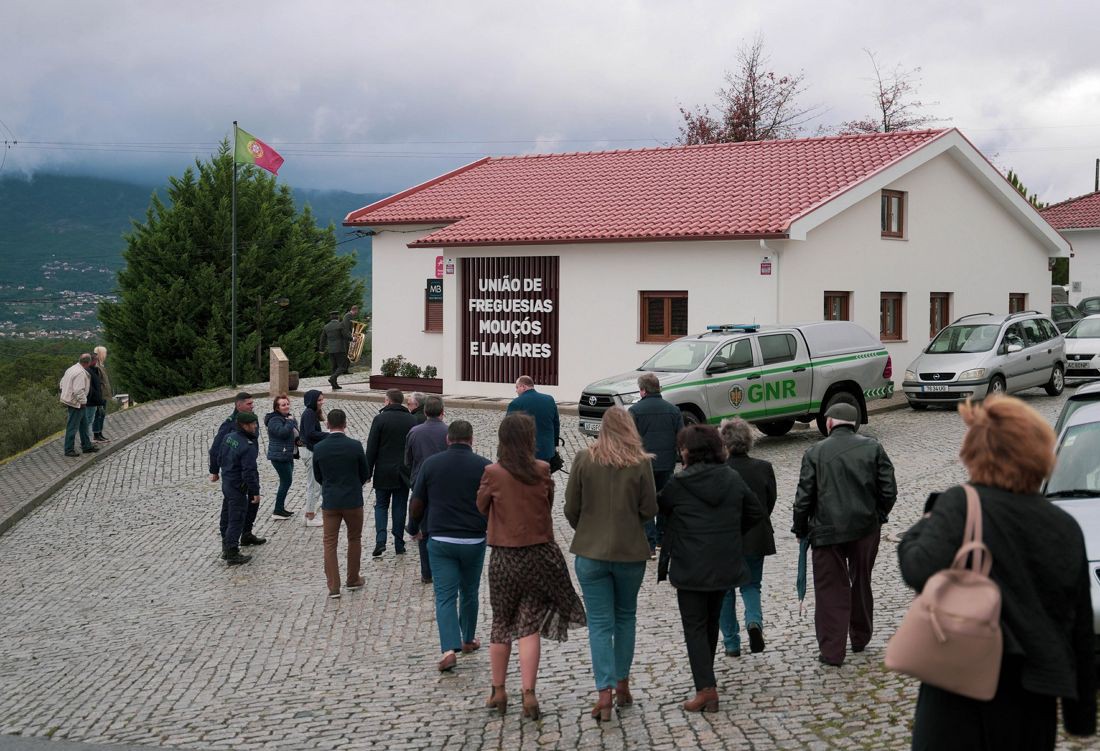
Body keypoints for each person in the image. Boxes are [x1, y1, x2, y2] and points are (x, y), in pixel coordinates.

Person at [898, 396, 1096, 750]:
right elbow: (1079, 627)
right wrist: (1080, 716)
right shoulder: (1065, 526)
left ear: (975, 452)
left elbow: (918, 567)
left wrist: (920, 527)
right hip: (1033, 702)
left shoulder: (961, 502)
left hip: (957, 693)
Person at [477, 413, 586, 720]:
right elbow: (547, 504)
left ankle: (498, 690)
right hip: (539, 555)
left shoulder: (492, 472)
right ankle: (529, 694)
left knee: (501, 621)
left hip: (504, 557)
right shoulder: (541, 470)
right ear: (529, 439)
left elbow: (481, 506)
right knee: (529, 625)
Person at [659, 424, 764, 712]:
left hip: (690, 566)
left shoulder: (678, 484)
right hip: (723, 563)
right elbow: (755, 512)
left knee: (695, 627)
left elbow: (662, 510)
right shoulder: (731, 477)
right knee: (710, 622)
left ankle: (706, 689)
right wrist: (730, 532)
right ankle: (707, 681)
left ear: (689, 452)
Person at [564, 406, 657, 722]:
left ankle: (604, 694)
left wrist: (588, 529)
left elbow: (570, 508)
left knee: (600, 624)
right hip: (630, 551)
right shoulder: (641, 463)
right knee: (625, 618)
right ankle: (622, 684)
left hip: (591, 553)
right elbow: (649, 509)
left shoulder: (583, 459)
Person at [792, 402, 897, 667]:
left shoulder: (814, 452)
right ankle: (860, 638)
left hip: (827, 533)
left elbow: (804, 497)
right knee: (861, 581)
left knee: (830, 590)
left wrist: (800, 527)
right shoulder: (873, 448)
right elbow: (888, 490)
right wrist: (878, 516)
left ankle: (832, 651)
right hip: (865, 528)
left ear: (830, 422)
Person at [409, 419, 492, 672]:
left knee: (445, 596)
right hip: (473, 539)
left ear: (448, 439)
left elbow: (417, 501)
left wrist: (414, 528)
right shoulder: (484, 466)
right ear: (472, 439)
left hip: (441, 539)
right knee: (470, 591)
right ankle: (467, 639)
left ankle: (448, 649)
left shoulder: (431, 464)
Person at [717, 417, 777, 657]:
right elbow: (769, 501)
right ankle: (754, 622)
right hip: (755, 536)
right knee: (752, 585)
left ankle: (731, 643)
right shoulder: (763, 467)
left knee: (725, 591)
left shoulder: (719, 471)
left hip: (726, 540)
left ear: (725, 444)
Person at [311, 408, 370, 599]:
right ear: (345, 424)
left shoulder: (319, 448)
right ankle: (352, 578)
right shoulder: (355, 446)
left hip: (331, 501)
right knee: (354, 538)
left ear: (327, 425)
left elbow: (318, 475)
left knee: (329, 542)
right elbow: (365, 473)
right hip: (352, 500)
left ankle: (333, 586)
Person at [629, 372, 683, 557]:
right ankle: (661, 538)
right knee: (664, 500)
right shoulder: (673, 410)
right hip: (667, 464)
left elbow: (630, 440)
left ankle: (649, 544)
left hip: (644, 464)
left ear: (642, 390)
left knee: (645, 501)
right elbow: (681, 439)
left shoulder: (635, 411)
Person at [365, 389, 417, 558]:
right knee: (400, 505)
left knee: (381, 505)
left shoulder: (380, 419)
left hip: (383, 470)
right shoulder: (412, 419)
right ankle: (399, 543)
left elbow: (372, 448)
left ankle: (380, 539)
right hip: (403, 471)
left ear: (388, 401)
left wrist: (367, 471)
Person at [404, 395, 447, 583]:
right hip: (443, 484)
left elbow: (408, 460)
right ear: (442, 412)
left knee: (424, 530)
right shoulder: (448, 431)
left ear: (425, 411)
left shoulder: (414, 432)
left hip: (420, 482)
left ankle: (426, 572)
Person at [219, 411, 265, 565]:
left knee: (226, 515)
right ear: (244, 426)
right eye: (253, 424)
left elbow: (220, 457)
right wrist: (255, 492)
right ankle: (232, 552)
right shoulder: (247, 446)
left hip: (227, 481)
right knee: (237, 518)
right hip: (238, 486)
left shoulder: (229, 437)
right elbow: (249, 472)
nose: (255, 426)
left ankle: (226, 547)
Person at [210, 392, 255, 538]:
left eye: (252, 403)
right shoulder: (229, 424)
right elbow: (216, 449)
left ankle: (247, 533)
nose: (252, 406)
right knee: (235, 507)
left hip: (249, 464)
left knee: (253, 502)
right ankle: (229, 541)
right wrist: (215, 470)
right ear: (239, 405)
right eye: (248, 404)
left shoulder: (250, 418)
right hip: (237, 473)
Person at [506, 375, 560, 462]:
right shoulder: (549, 399)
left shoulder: (515, 403)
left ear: (523, 387)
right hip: (546, 451)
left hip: (524, 452)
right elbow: (556, 424)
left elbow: (508, 429)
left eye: (517, 387)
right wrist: (554, 444)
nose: (516, 390)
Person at [264, 394, 299, 520]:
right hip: (279, 456)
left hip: (288, 454)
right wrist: (290, 422)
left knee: (286, 482)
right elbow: (282, 433)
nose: (286, 406)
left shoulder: (288, 417)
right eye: (283, 405)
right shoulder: (274, 420)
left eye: (287, 404)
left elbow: (295, 432)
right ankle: (277, 510)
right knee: (286, 482)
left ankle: (280, 508)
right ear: (277, 407)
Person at [298, 390, 328, 528]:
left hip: (308, 450)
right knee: (314, 486)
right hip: (309, 451)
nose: (322, 402)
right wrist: (327, 435)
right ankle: (310, 516)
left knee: (314, 485)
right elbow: (310, 433)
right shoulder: (310, 413)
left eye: (322, 399)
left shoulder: (311, 413)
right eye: (319, 400)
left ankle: (307, 515)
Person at [60, 353, 96, 457]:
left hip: (70, 400)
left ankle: (87, 446)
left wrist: (66, 392)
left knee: (84, 424)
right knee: (72, 426)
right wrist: (83, 402)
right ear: (88, 362)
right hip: (76, 403)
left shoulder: (71, 369)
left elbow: (62, 383)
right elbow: (78, 390)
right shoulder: (80, 373)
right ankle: (68, 449)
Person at [319, 311, 347, 390]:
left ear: (330, 318)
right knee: (343, 366)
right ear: (338, 317)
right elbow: (345, 335)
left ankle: (334, 385)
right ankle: (332, 378)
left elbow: (322, 339)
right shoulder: (340, 324)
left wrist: (321, 349)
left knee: (334, 367)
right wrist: (353, 339)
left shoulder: (326, 326)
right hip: (340, 349)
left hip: (331, 350)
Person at [91, 345, 113, 442]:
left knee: (102, 414)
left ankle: (99, 433)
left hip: (104, 394)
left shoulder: (101, 366)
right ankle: (96, 434)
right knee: (98, 414)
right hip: (100, 395)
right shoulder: (97, 367)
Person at [341, 304, 360, 374]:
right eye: (357, 311)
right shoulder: (348, 315)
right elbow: (346, 328)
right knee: (348, 354)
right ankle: (344, 370)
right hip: (347, 338)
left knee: (349, 353)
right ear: (355, 310)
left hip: (348, 337)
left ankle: (345, 369)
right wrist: (351, 338)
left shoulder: (349, 315)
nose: (357, 313)